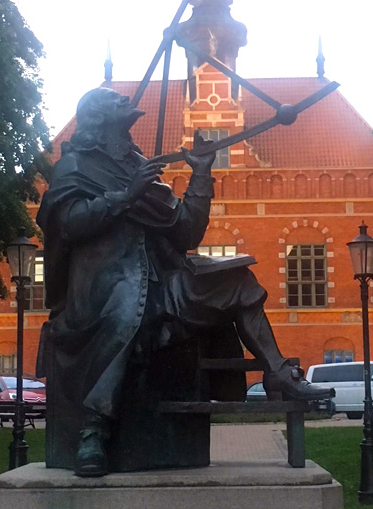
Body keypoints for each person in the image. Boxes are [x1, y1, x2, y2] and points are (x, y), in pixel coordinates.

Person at [37, 86, 331, 476]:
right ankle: (94, 431)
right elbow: (70, 223)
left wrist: (202, 172)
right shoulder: (75, 167)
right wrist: (126, 196)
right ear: (99, 118)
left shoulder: (136, 165)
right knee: (126, 314)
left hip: (159, 283)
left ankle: (277, 373)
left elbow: (185, 232)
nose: (127, 102)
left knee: (237, 282)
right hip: (102, 285)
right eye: (116, 100)